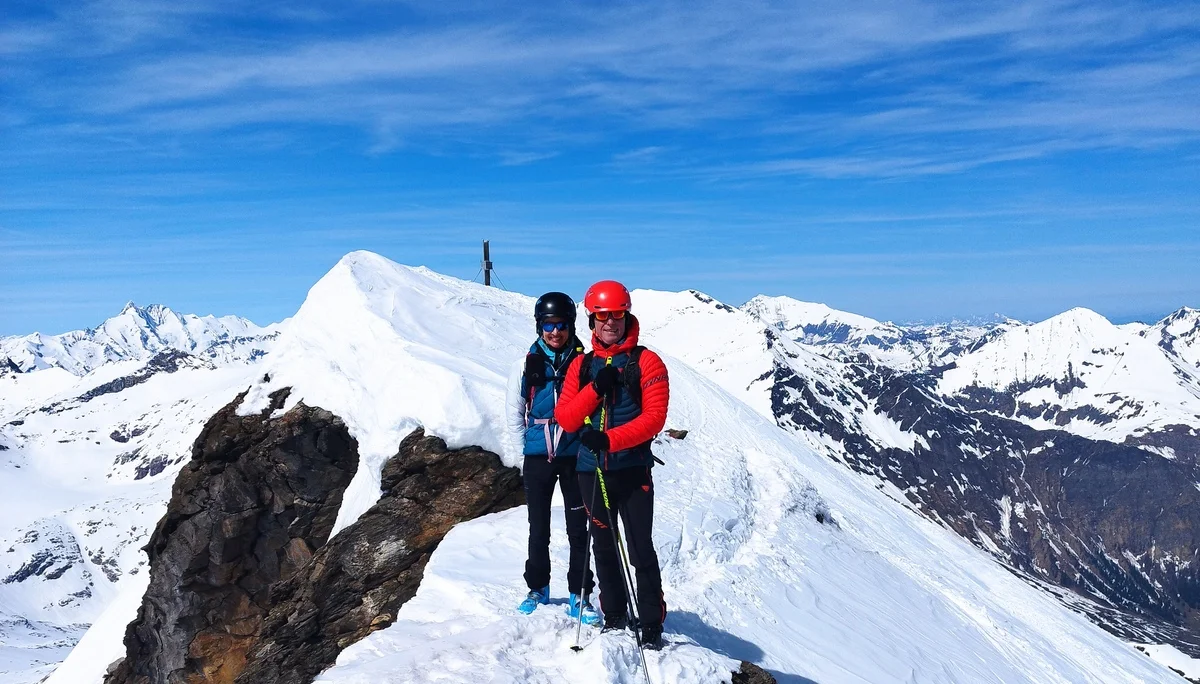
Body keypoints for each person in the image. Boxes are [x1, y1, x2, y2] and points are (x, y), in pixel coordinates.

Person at [554, 280, 669, 650]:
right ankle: (615, 615)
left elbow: (654, 419)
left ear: (627, 316)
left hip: (633, 471)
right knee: (603, 546)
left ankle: (650, 622)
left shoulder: (647, 362)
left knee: (639, 548)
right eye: (602, 315)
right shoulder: (582, 365)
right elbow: (566, 418)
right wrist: (596, 389)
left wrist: (609, 440)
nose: (610, 322)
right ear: (591, 320)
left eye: (617, 314)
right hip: (591, 472)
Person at [505, 292, 599, 625]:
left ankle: (579, 594)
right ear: (539, 327)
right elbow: (515, 412)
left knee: (578, 528)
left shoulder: (585, 364)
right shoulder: (525, 365)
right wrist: (524, 452)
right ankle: (538, 588)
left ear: (571, 326)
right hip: (538, 457)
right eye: (548, 325)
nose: (555, 332)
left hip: (575, 456)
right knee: (538, 527)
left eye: (561, 325)